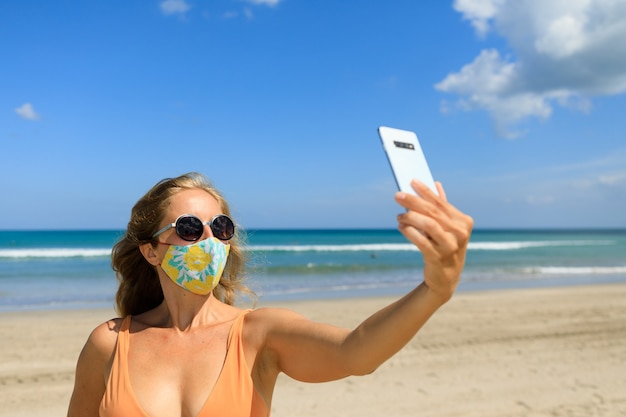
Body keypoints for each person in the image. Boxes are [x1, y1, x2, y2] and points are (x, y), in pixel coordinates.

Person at [67, 172, 473, 417]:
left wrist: (435, 289)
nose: (208, 239)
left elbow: (357, 352)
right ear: (151, 250)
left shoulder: (258, 334)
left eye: (220, 227)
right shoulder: (110, 343)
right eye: (190, 228)